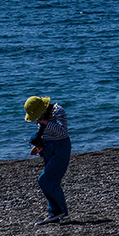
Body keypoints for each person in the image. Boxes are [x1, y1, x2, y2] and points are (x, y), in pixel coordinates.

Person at [24, 96, 71, 226]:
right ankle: (55, 212)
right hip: (47, 147)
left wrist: (46, 123)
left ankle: (57, 211)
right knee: (52, 181)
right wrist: (38, 146)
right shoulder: (43, 116)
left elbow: (63, 131)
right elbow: (43, 132)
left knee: (45, 179)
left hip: (60, 147)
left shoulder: (57, 110)